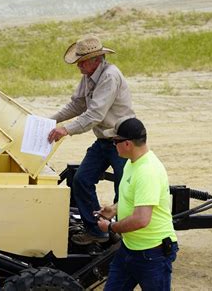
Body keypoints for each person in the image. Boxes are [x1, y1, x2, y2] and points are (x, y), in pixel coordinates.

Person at [48, 35, 135, 245]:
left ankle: (125, 234)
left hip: (123, 141)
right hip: (105, 140)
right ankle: (96, 230)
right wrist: (50, 120)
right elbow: (77, 105)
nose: (78, 66)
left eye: (81, 61)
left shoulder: (110, 77)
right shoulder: (89, 76)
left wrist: (65, 130)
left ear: (95, 59)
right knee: (82, 180)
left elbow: (94, 115)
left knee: (123, 189)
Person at [95, 118, 178, 291]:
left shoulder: (147, 171)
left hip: (152, 253)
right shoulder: (132, 163)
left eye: (114, 141)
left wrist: (111, 227)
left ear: (127, 144)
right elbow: (133, 198)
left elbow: (141, 220)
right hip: (130, 248)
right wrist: (114, 209)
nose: (113, 144)